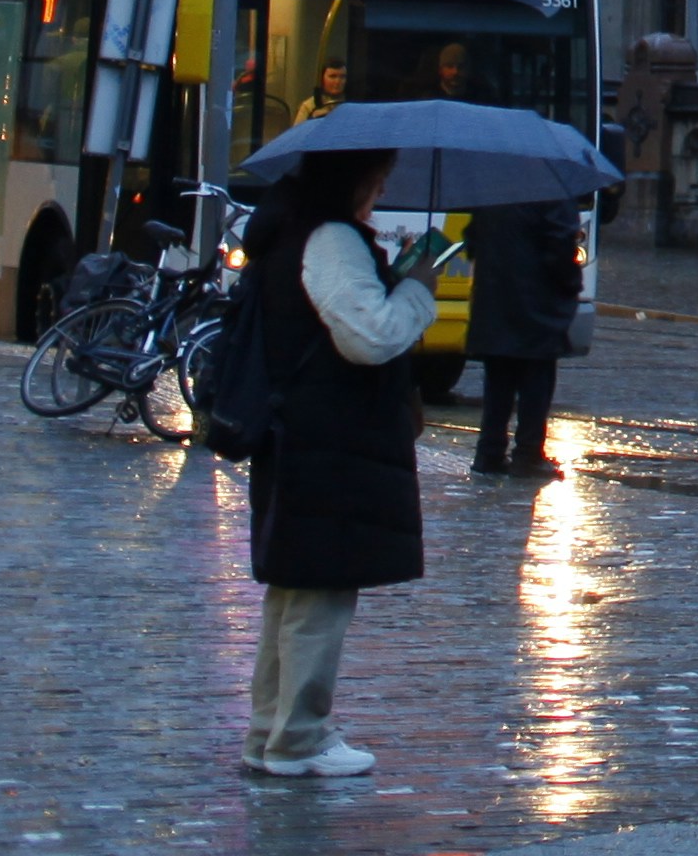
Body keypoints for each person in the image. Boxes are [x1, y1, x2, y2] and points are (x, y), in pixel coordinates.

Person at [239, 146, 450, 782]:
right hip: (327, 439)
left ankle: (270, 731)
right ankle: (299, 738)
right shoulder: (329, 239)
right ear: (351, 180)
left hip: (307, 435)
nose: (379, 196)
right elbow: (369, 337)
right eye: (377, 183)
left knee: (296, 589)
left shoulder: (292, 230)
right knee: (318, 593)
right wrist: (418, 291)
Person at [462, 191, 588, 478]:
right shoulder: (552, 189)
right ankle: (528, 454)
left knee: (499, 377)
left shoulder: (495, 188)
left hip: (495, 295)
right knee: (536, 376)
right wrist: (571, 283)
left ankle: (489, 452)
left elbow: (472, 238)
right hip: (536, 300)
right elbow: (560, 243)